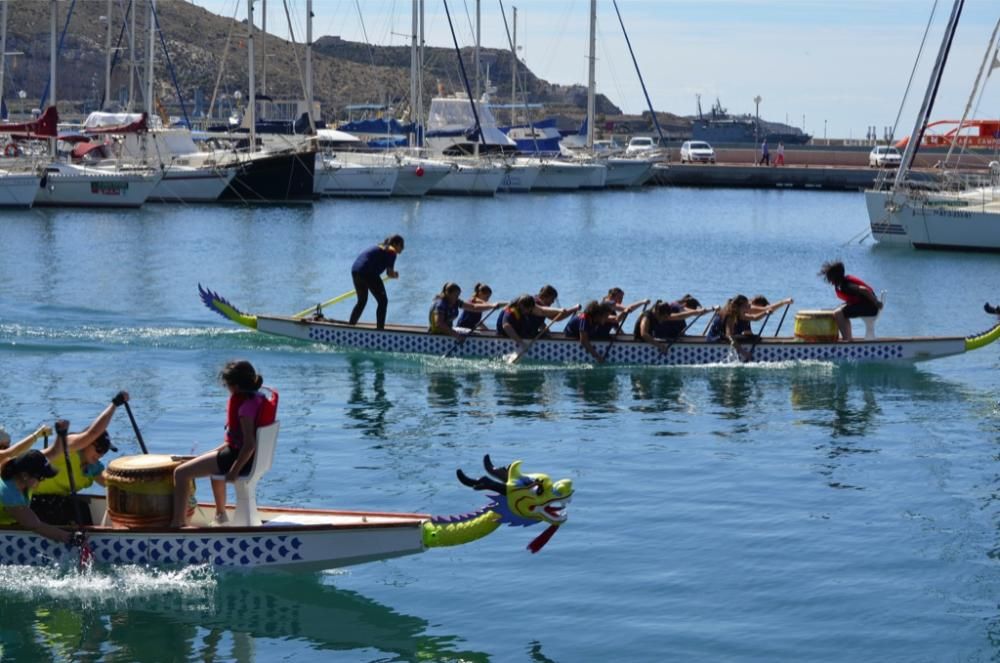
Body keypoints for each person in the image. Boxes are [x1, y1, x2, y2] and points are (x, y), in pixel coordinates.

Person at [171, 360, 269, 528]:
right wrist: (204, 456)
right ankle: (220, 515)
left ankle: (178, 523)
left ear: (236, 386)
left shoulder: (245, 408)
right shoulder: (257, 399)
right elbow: (234, 442)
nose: (227, 388)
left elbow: (249, 444)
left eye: (226, 385)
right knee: (210, 465)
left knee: (180, 473)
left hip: (238, 458)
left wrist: (234, 471)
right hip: (247, 457)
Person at [1, 445, 74, 545]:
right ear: (25, 475)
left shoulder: (22, 482)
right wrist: (70, 538)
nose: (42, 481)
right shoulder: (8, 492)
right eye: (41, 477)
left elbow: (54, 451)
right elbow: (34, 525)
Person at [707, 294, 788, 361]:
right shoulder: (730, 316)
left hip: (725, 336)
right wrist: (744, 352)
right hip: (715, 339)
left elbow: (754, 318)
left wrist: (765, 313)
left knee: (754, 338)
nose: (749, 308)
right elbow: (730, 336)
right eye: (746, 306)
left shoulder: (738, 313)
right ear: (738, 307)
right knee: (747, 338)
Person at [348, 235, 404, 330]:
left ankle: (350, 327)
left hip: (355, 270)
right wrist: (395, 275)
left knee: (362, 301)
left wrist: (391, 274)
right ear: (395, 244)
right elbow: (390, 274)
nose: (403, 249)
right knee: (383, 301)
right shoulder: (391, 251)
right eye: (401, 245)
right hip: (368, 273)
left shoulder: (380, 247)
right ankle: (380, 331)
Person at [819, 260, 882, 341]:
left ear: (835, 277)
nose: (829, 280)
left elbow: (864, 290)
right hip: (867, 305)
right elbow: (854, 298)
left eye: (829, 278)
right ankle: (849, 339)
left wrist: (876, 301)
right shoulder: (842, 284)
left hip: (871, 307)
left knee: (838, 313)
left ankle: (847, 340)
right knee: (839, 310)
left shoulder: (846, 285)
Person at [633, 298, 714, 352]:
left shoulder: (660, 315)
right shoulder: (646, 316)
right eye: (663, 317)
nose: (663, 320)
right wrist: (660, 346)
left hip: (650, 341)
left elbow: (679, 316)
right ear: (658, 312)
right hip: (639, 343)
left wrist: (697, 312)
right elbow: (644, 334)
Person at [428, 282, 502, 337]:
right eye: (456, 295)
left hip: (448, 332)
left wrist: (492, 306)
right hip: (438, 334)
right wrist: (456, 335)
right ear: (448, 294)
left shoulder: (456, 302)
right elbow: (439, 324)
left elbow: (473, 307)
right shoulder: (440, 305)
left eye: (458, 295)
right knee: (474, 334)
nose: (458, 297)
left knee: (475, 333)